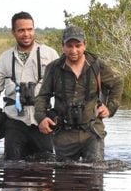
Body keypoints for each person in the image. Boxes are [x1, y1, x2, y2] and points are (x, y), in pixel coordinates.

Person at [34, 25, 123, 162]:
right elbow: (43, 96)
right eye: (69, 46)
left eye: (78, 45)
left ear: (85, 45)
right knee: (64, 178)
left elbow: (117, 82)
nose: (74, 50)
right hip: (63, 133)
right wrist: (41, 118)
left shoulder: (97, 66)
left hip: (92, 131)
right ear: (63, 46)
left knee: (95, 175)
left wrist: (109, 107)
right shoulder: (54, 68)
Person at [0, 11, 59, 160]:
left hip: (42, 121)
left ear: (34, 29)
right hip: (14, 121)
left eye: (30, 29)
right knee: (12, 167)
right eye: (21, 30)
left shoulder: (50, 54)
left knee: (46, 167)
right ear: (13, 32)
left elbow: (63, 88)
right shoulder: (5, 58)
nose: (26, 34)